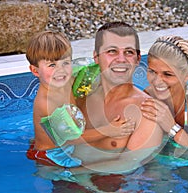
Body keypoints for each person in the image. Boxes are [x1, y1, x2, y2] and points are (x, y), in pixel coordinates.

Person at [25, 30, 135, 168]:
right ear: (35, 71)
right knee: (96, 175)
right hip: (53, 155)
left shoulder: (68, 79)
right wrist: (109, 130)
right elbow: (70, 140)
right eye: (52, 65)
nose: (61, 70)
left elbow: (91, 69)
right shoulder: (47, 103)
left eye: (65, 63)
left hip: (64, 142)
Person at [72, 22, 164, 173]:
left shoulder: (147, 111)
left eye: (129, 52)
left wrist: (70, 174)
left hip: (110, 189)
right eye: (112, 51)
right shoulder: (81, 96)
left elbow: (128, 165)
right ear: (96, 57)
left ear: (138, 58)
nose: (121, 59)